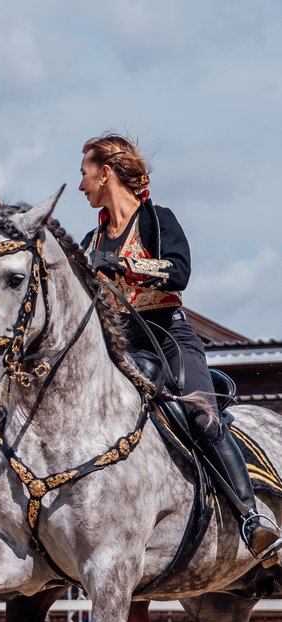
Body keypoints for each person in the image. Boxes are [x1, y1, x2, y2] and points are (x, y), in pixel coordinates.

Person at [79, 132, 281, 563]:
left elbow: (179, 271)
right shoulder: (88, 240)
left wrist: (122, 264)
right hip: (119, 346)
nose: (81, 186)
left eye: (85, 174)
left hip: (169, 335)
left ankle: (251, 518)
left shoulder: (158, 220)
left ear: (106, 173)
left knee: (201, 417)